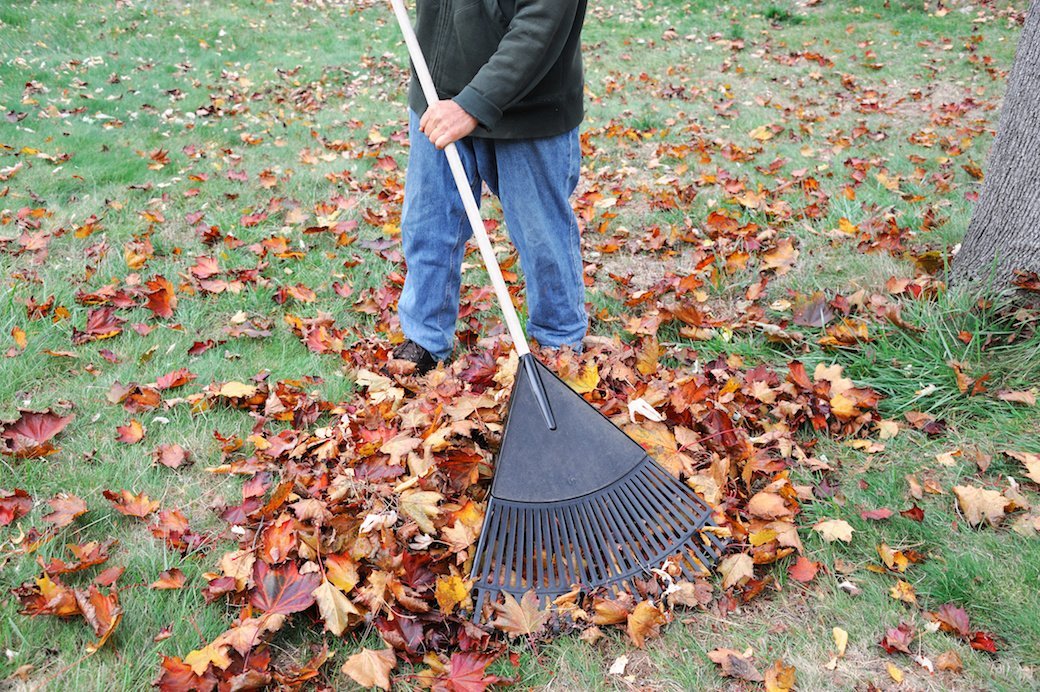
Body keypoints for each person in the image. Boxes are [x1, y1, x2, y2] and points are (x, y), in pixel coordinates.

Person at [392, 0, 590, 375]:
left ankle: (560, 344)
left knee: (541, 235)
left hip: (529, 107)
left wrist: (472, 106)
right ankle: (424, 339)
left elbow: (540, 25)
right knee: (428, 225)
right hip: (438, 95)